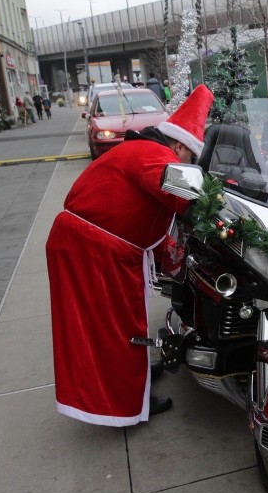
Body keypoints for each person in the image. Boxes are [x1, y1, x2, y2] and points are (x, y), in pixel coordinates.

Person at [46, 85, 215, 426]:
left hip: (93, 246)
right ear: (179, 145)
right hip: (94, 251)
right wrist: (213, 205)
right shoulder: (156, 156)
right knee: (115, 327)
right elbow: (184, 196)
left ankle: (134, 377)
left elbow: (153, 212)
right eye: (189, 157)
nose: (187, 162)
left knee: (116, 325)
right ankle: (126, 403)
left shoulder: (144, 150)